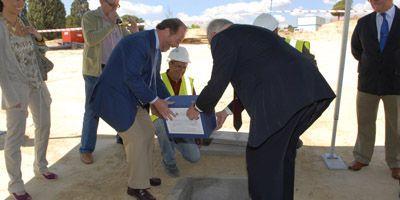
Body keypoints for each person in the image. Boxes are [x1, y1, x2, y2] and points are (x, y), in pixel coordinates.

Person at [186, 19, 335, 200]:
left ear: (213, 35)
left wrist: (198, 107)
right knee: (282, 157)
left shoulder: (223, 38)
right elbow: (259, 81)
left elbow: (218, 80)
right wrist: (226, 112)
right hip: (310, 96)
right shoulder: (253, 36)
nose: (213, 48)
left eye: (211, 44)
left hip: (282, 104)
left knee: (261, 161)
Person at [89, 18, 187, 200]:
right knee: (137, 138)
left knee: (148, 132)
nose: (177, 44)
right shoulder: (138, 42)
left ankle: (145, 175)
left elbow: (154, 79)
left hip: (130, 97)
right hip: (114, 97)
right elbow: (132, 78)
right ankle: (135, 187)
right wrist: (156, 101)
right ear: (167, 31)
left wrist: (169, 100)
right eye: (178, 39)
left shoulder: (155, 48)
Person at [0, 0, 57, 199]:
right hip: (16, 89)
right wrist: (10, 97)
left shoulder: (23, 21)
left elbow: (39, 53)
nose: (19, 2)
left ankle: (40, 166)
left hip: (37, 83)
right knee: (15, 137)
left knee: (44, 125)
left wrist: (39, 38)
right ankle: (15, 184)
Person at [80, 0, 139, 165]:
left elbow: (127, 41)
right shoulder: (90, 17)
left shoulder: (117, 20)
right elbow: (91, 39)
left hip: (115, 70)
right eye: (111, 4)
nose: (114, 8)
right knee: (92, 111)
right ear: (101, 1)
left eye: (116, 5)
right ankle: (86, 149)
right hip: (95, 72)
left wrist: (134, 33)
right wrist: (111, 24)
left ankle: (121, 138)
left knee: (121, 105)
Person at [349, 0, 400, 180]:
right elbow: (356, 49)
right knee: (364, 121)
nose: (372, 1)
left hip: (396, 83)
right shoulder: (363, 23)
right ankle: (362, 157)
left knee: (396, 125)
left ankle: (396, 163)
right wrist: (369, 65)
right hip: (368, 82)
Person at [150, 46, 200, 177]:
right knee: (162, 126)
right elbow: (153, 109)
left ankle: (175, 140)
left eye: (184, 67)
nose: (181, 70)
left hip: (182, 123)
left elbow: (196, 107)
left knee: (194, 157)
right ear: (170, 63)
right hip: (161, 119)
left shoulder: (189, 82)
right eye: (178, 66)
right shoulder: (158, 81)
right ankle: (169, 161)